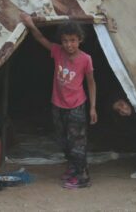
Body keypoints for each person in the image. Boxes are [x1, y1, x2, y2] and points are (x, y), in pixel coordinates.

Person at [20, 13, 97, 189]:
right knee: (63, 140)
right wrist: (31, 25)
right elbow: (39, 37)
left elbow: (91, 83)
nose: (69, 44)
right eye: (65, 41)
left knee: (77, 142)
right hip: (58, 104)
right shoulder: (57, 51)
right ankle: (73, 167)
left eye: (72, 40)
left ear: (80, 40)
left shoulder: (86, 59)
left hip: (77, 105)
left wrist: (92, 107)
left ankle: (83, 176)